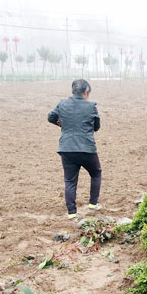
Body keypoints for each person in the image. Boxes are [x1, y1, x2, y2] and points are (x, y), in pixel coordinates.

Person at [48, 79, 102, 221]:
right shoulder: (91, 106)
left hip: (66, 148)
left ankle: (72, 214)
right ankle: (93, 204)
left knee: (70, 181)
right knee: (96, 173)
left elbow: (50, 117)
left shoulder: (62, 103)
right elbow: (96, 127)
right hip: (87, 148)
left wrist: (62, 125)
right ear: (85, 92)